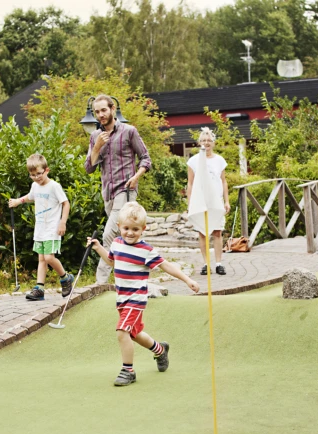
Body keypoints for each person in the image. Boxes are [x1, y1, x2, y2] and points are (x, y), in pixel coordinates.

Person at [88, 202, 200, 387]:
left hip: (136, 299)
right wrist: (99, 247)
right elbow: (113, 262)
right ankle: (160, 350)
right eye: (126, 228)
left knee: (122, 331)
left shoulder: (146, 251)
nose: (130, 233)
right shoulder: (117, 243)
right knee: (134, 334)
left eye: (135, 229)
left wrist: (187, 280)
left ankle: (128, 371)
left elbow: (166, 265)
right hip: (122, 298)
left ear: (143, 229)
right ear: (119, 227)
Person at [85, 94, 152, 285]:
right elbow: (89, 168)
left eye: (104, 110)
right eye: (97, 112)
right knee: (121, 236)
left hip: (126, 190)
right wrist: (97, 147)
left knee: (108, 234)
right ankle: (131, 273)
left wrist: (136, 177)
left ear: (112, 109)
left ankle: (100, 283)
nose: (100, 115)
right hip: (107, 193)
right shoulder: (95, 137)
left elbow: (146, 158)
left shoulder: (129, 131)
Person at [8, 154, 74, 301]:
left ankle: (65, 278)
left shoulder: (54, 186)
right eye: (32, 175)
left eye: (39, 173)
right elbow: (31, 197)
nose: (36, 177)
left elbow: (66, 203)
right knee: (42, 259)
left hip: (52, 228)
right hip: (40, 229)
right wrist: (18, 201)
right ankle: (40, 289)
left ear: (46, 170)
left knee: (49, 257)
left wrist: (63, 222)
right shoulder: (35, 186)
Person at [186, 127, 230, 275]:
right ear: (199, 142)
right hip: (200, 200)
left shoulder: (219, 160)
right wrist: (190, 203)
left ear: (213, 142)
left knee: (217, 232)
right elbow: (190, 183)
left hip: (216, 200)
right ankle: (206, 264)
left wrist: (226, 201)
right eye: (204, 140)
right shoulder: (193, 161)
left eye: (209, 140)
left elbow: (223, 181)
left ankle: (218, 263)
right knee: (202, 232)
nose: (206, 143)